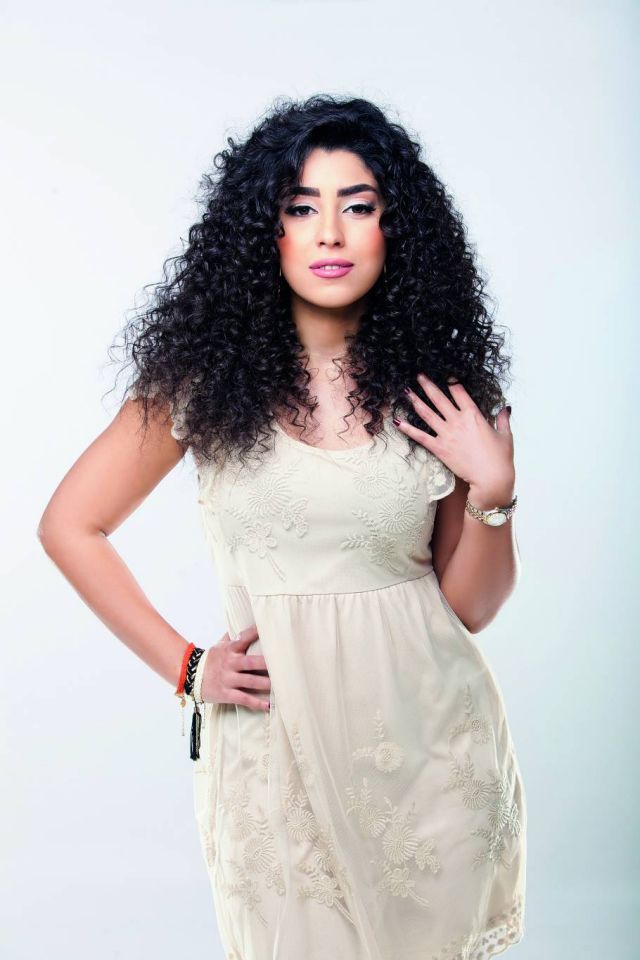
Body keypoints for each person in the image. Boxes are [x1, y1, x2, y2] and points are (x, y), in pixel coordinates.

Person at [37, 94, 526, 959]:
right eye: (301, 208)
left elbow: (470, 609)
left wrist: (494, 489)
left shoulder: (438, 392)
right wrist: (188, 667)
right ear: (265, 232)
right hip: (276, 756)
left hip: (430, 752)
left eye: (358, 206)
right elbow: (71, 525)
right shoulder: (203, 384)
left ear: (395, 228)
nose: (330, 232)